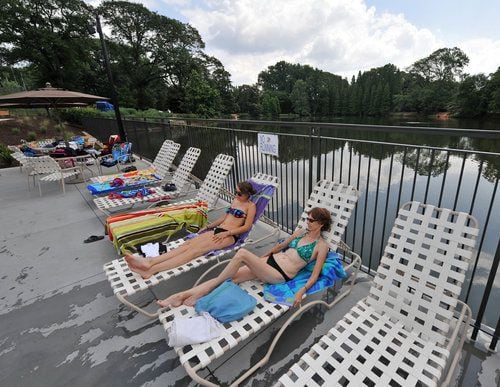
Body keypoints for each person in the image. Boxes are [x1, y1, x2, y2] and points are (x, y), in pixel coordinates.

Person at [158, 207, 332, 308]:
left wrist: (301, 291)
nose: (307, 222)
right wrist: (261, 259)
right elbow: (279, 247)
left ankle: (197, 295)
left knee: (241, 254)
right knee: (230, 277)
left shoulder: (321, 246)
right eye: (307, 219)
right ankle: (182, 296)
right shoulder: (300, 233)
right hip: (268, 263)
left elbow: (315, 275)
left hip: (280, 274)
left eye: (311, 220)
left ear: (321, 224)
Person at [124, 181, 257, 278]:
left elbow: (247, 227)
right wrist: (208, 227)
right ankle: (150, 261)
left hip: (230, 236)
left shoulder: (250, 207)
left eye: (239, 193)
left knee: (194, 251)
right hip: (218, 230)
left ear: (247, 194)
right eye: (236, 192)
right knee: (188, 244)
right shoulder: (236, 201)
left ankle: (151, 270)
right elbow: (225, 217)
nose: (236, 194)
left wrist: (227, 233)